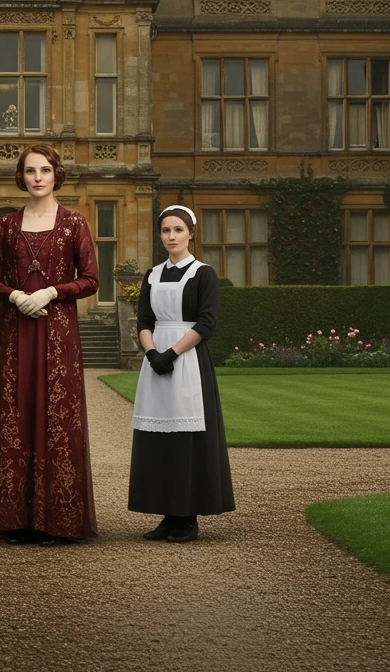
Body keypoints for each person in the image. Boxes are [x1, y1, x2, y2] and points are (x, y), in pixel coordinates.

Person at [0, 144, 100, 544]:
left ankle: (58, 521)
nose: (37, 177)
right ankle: (15, 520)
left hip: (58, 331)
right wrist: (14, 296)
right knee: (17, 413)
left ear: (55, 175)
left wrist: (51, 292)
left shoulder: (74, 223)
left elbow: (91, 280)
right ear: (21, 176)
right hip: (16, 331)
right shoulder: (6, 226)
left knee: (56, 416)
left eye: (44, 170)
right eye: (30, 171)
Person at [129, 205, 235, 542]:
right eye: (165, 231)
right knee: (159, 440)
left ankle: (187, 517)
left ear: (191, 233)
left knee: (187, 440)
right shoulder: (152, 274)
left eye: (177, 230)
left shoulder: (203, 273)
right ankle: (167, 514)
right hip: (156, 361)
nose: (171, 236)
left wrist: (172, 353)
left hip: (188, 362)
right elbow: (144, 320)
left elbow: (206, 323)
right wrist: (152, 353)